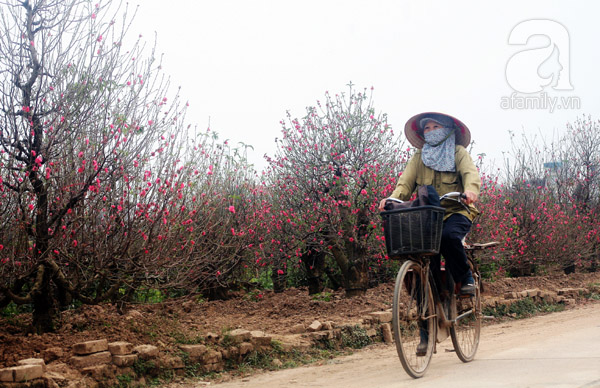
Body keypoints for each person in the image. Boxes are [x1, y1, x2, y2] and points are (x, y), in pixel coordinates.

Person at [379, 112, 481, 356]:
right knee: (424, 270)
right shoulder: (419, 157)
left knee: (448, 237)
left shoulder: (458, 153)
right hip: (428, 217)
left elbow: (470, 175)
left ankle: (465, 278)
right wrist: (392, 198)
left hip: (456, 210)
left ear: (447, 129)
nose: (430, 131)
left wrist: (469, 191)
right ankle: (426, 333)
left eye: (435, 126)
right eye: (427, 128)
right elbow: (405, 183)